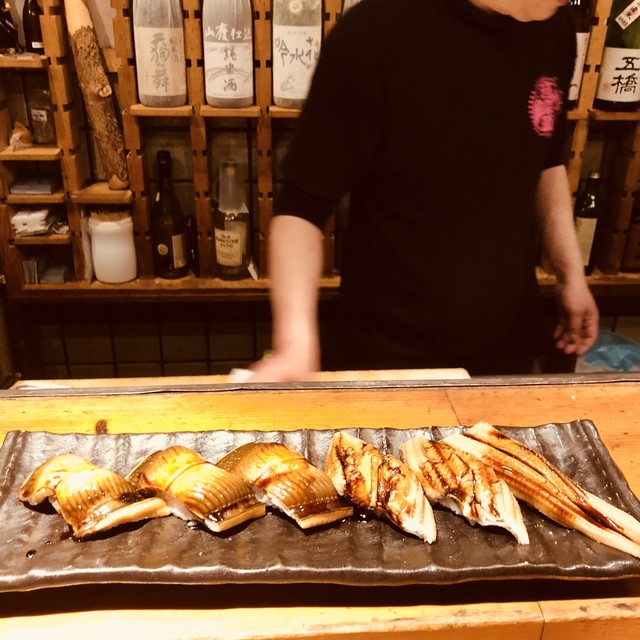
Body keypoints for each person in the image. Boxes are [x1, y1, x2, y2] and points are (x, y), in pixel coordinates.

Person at [250, 0, 600, 382]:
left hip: (506, 350)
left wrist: (570, 274)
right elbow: (301, 209)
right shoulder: (375, 32)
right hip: (388, 358)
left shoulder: (555, 24)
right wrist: (295, 345)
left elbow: (545, 159)